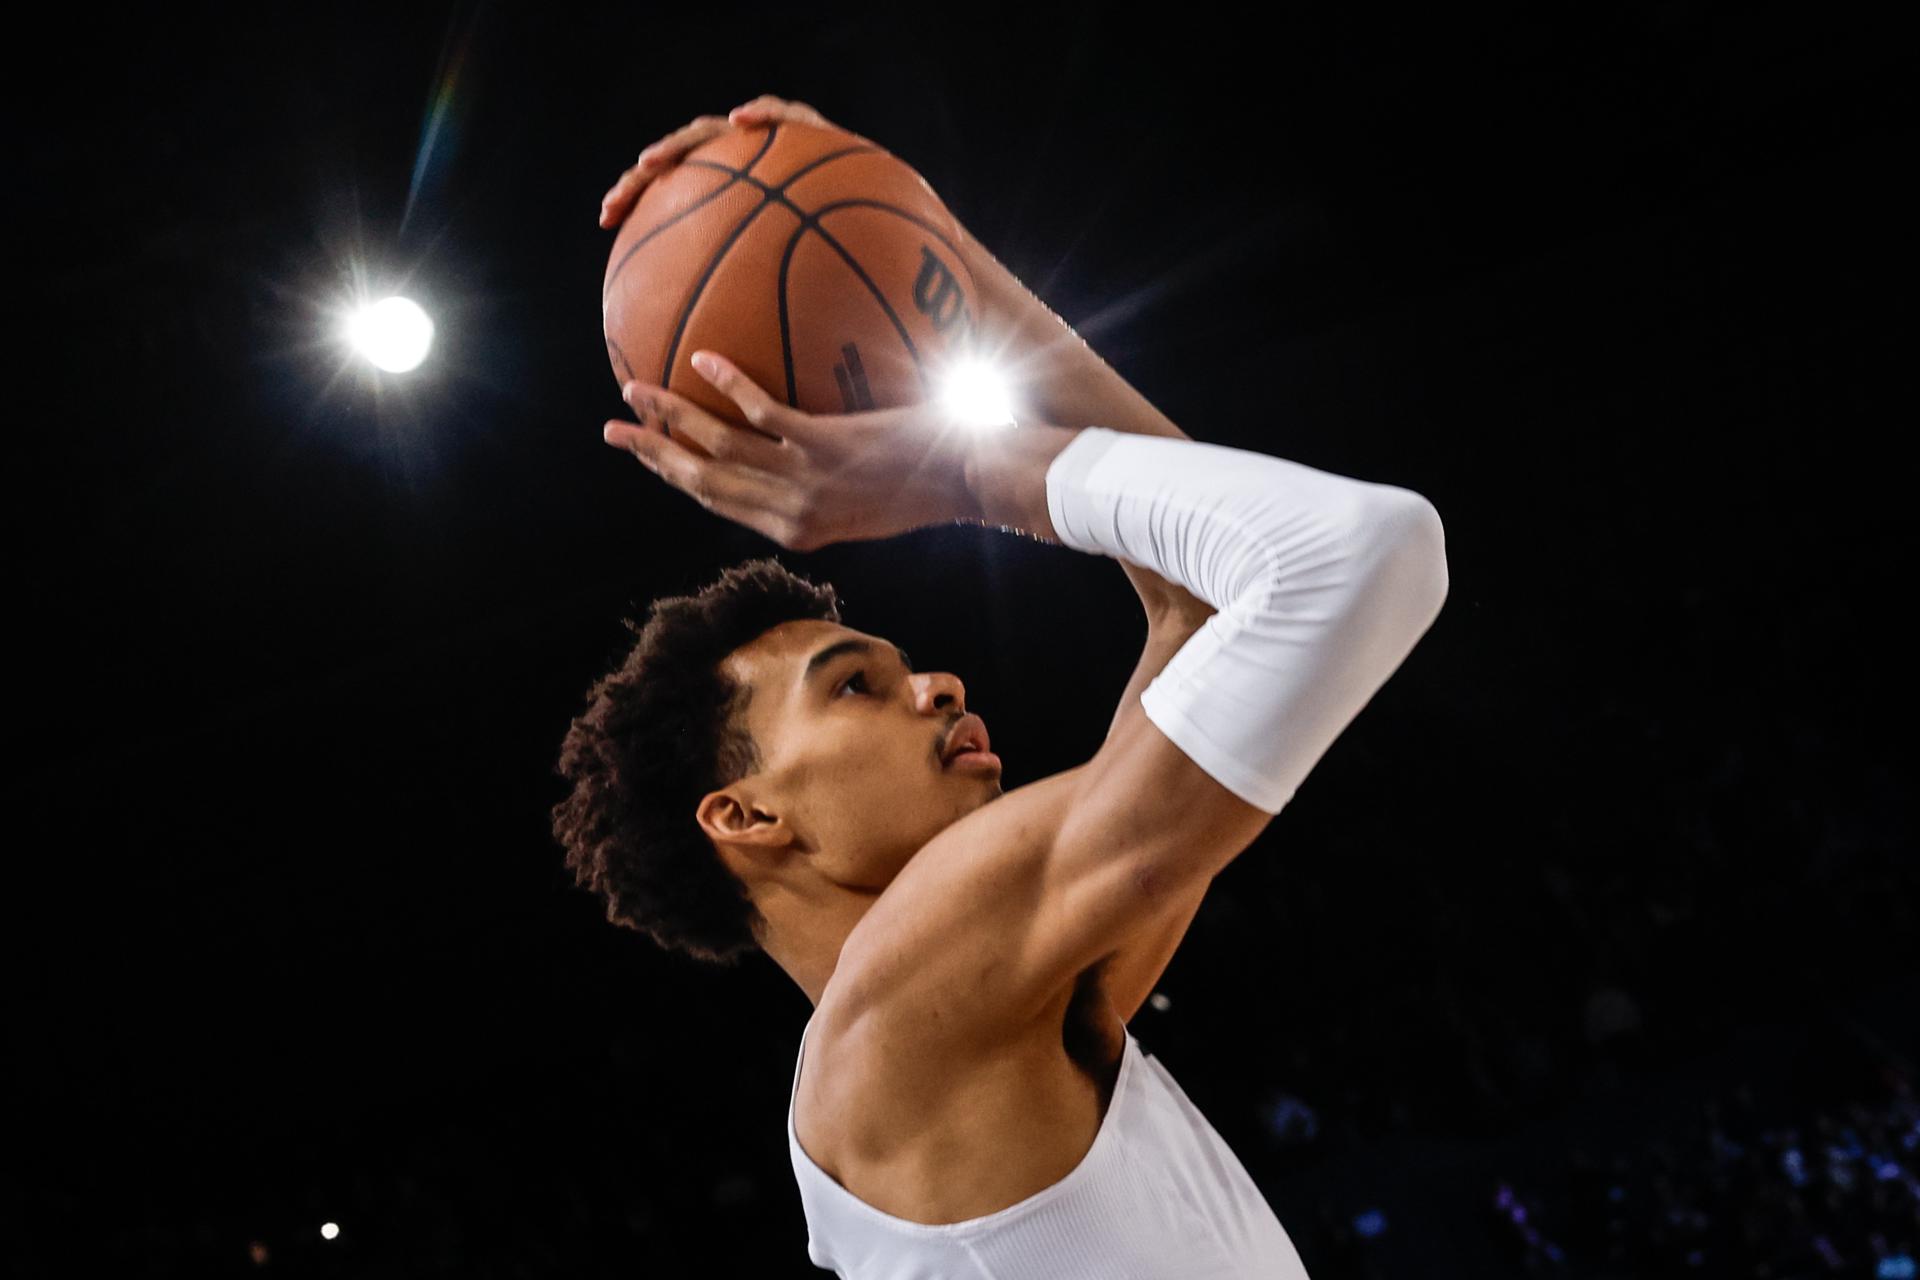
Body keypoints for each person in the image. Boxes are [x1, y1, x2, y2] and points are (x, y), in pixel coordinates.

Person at [557, 96, 1450, 1278]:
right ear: (747, 813)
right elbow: (1365, 552)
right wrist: (963, 471)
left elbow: (1195, 599)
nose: (934, 683)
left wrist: (932, 256)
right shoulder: (900, 1002)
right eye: (855, 688)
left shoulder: (965, 1025)